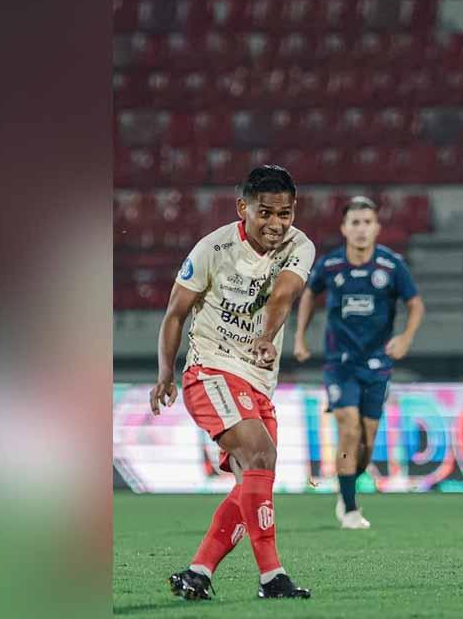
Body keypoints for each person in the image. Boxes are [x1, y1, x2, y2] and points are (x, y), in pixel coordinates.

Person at [149, 165, 315, 600]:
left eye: (285, 213)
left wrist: (265, 336)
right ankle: (272, 577)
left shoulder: (301, 246)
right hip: (211, 370)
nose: (277, 224)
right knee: (261, 454)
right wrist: (166, 372)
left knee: (252, 481)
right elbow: (175, 313)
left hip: (259, 381)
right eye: (266, 213)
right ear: (243, 208)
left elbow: (284, 293)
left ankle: (198, 572)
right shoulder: (213, 248)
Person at [293, 195, 424, 529]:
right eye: (355, 223)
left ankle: (347, 485)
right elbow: (309, 293)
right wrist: (300, 337)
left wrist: (406, 338)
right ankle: (350, 509)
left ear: (377, 228)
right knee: (348, 429)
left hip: (378, 365)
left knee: (366, 440)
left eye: (367, 222)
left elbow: (416, 304)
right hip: (340, 364)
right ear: (344, 228)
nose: (362, 229)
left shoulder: (392, 266)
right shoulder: (331, 265)